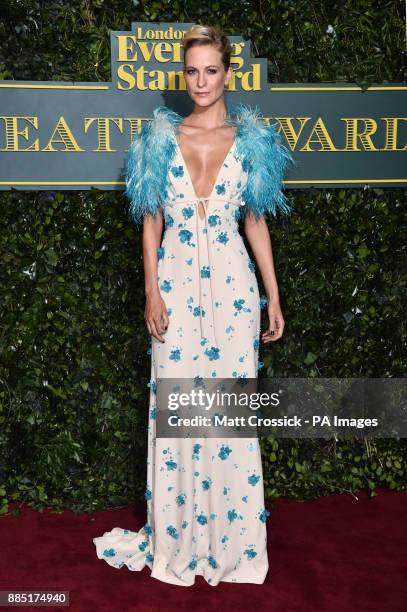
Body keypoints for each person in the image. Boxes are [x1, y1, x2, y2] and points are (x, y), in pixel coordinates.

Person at [93, 24, 294, 586]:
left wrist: (272, 294)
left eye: (211, 70)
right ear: (184, 75)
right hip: (177, 292)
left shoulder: (252, 142)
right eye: (192, 71)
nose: (201, 81)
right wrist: (151, 290)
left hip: (233, 293)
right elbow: (150, 223)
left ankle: (232, 547)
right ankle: (178, 539)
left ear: (229, 73)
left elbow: (255, 220)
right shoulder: (159, 140)